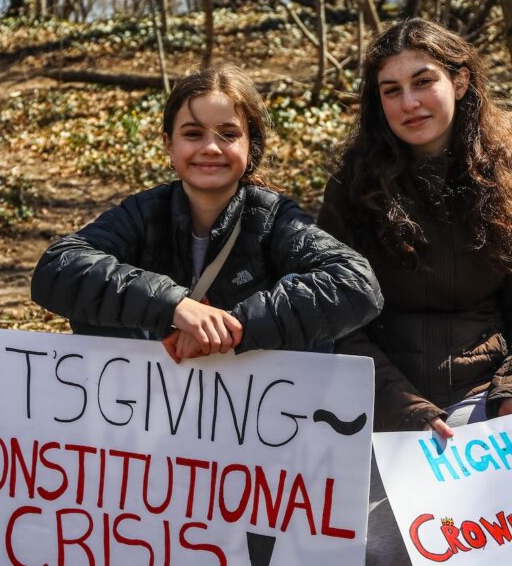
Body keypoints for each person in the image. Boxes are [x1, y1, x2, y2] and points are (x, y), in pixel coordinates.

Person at [318, 19, 512, 566]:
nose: (409, 102)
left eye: (423, 81)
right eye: (391, 89)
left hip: (486, 403)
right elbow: (338, 324)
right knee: (381, 554)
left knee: (497, 552)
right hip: (383, 411)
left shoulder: (510, 179)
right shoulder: (352, 191)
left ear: (459, 79)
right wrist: (409, 411)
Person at [31, 65, 382, 361]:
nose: (210, 148)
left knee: (302, 290)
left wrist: (230, 327)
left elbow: (357, 284)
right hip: (148, 414)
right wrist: (176, 307)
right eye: (193, 133)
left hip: (258, 417)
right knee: (96, 295)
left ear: (251, 145)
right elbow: (56, 268)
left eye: (228, 134)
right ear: (169, 143)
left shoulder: (275, 218)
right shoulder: (145, 212)